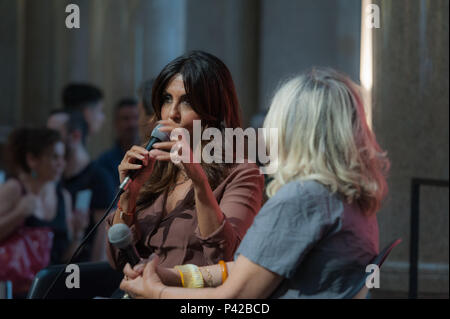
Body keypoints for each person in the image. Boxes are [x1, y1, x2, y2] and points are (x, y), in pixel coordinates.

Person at [119, 67, 391, 299]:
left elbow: (234, 297)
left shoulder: (302, 198)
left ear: (290, 129)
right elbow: (244, 269)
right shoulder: (348, 197)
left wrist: (156, 292)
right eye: (166, 99)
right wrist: (169, 275)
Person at [106, 51, 265, 274]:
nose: (172, 113)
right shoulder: (153, 167)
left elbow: (224, 257)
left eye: (187, 102)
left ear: (214, 113)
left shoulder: (242, 172)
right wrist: (128, 195)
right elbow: (117, 259)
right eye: (167, 99)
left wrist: (198, 180)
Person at [0, 128, 87, 265]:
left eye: (62, 157)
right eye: (54, 157)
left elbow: (65, 258)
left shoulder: (64, 196)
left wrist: (78, 234)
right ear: (32, 159)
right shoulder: (14, 188)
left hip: (51, 282)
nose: (61, 163)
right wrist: (18, 214)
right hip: (18, 283)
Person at [97, 98, 140, 186]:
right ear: (116, 123)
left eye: (136, 118)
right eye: (125, 119)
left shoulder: (153, 155)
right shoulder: (104, 162)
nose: (132, 124)